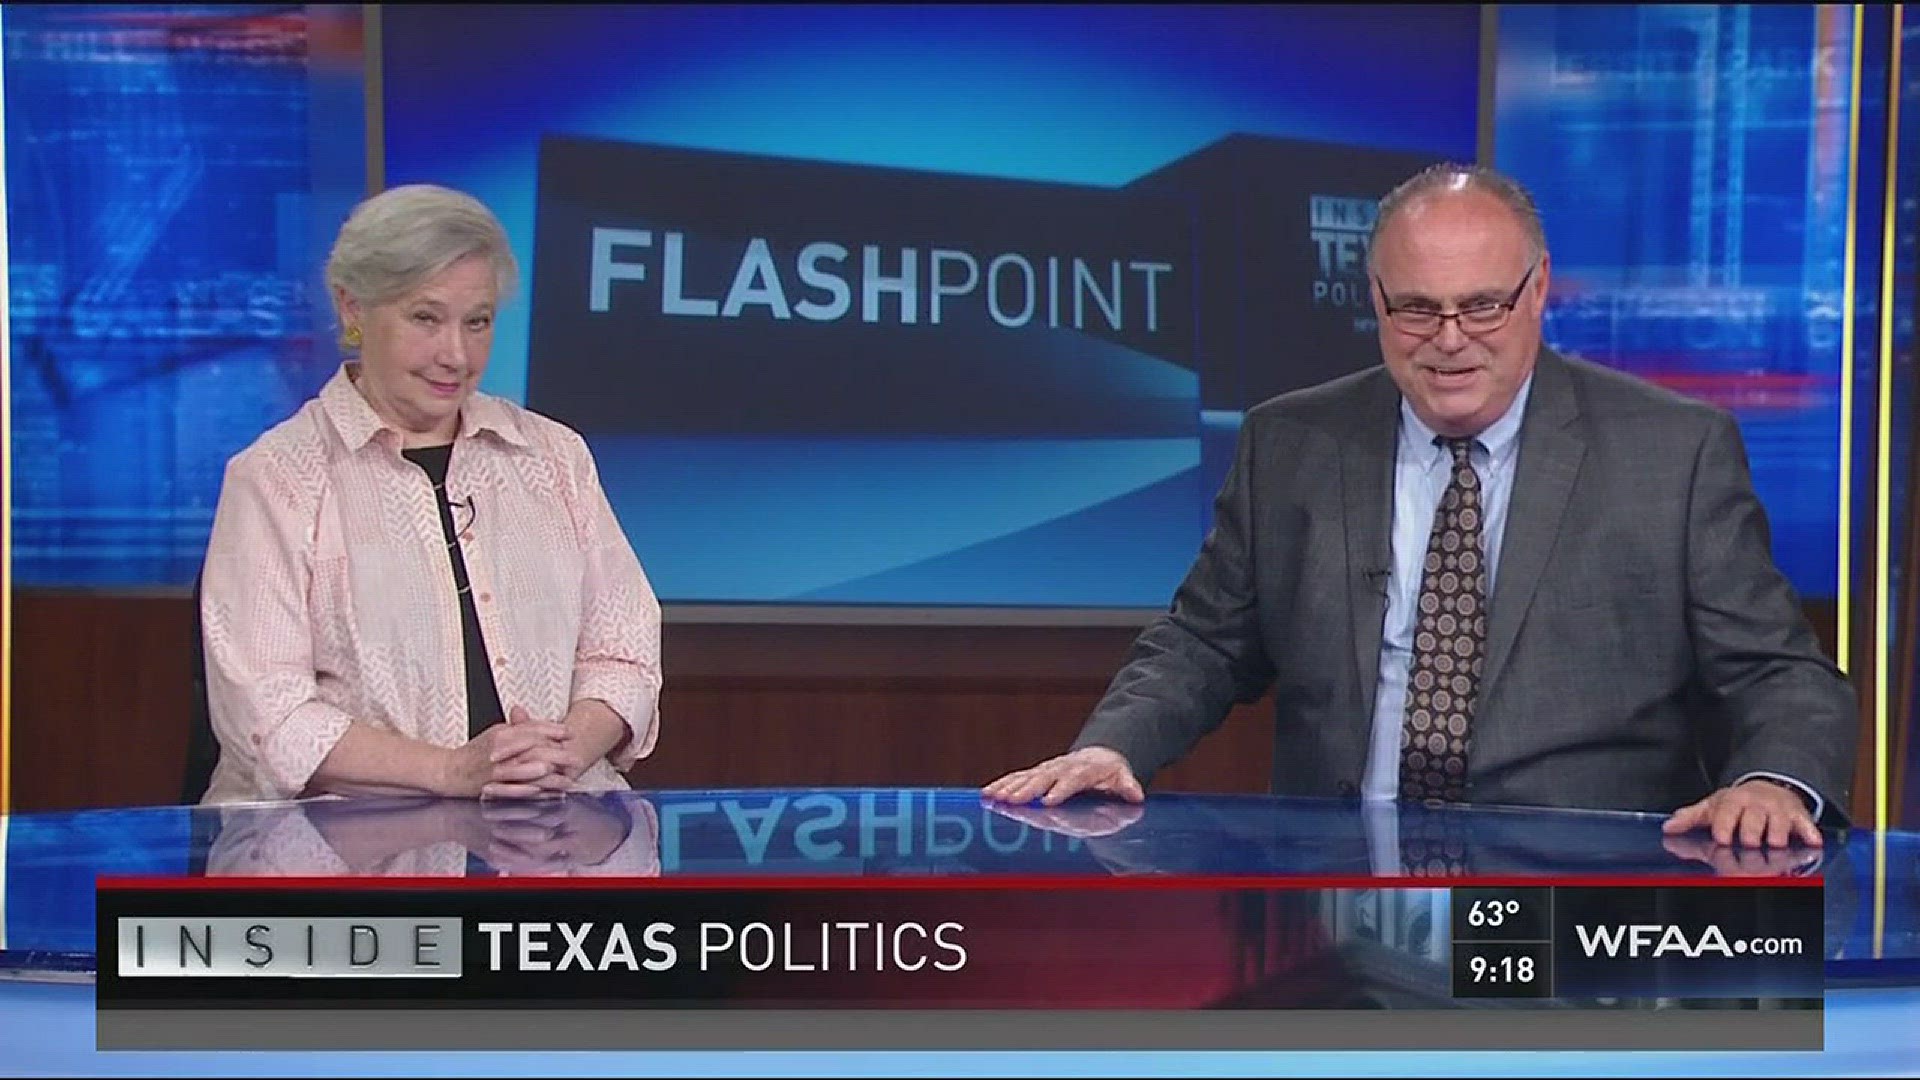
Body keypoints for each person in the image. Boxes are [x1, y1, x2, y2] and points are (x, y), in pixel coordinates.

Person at [985, 163, 1856, 850]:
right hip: (1340, 898)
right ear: (1374, 299)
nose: (1449, 341)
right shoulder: (1292, 441)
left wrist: (1772, 781)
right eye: (1417, 309)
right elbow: (1208, 640)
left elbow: (1779, 671)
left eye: (1482, 306)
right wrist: (1115, 745)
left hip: (1578, 896)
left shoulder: (1672, 452)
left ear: (1539, 288)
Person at [198, 184, 662, 803]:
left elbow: (626, 653)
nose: (456, 355)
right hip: (341, 857)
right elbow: (269, 717)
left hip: (550, 831)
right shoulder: (278, 477)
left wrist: (566, 748)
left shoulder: (555, 458)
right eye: (426, 318)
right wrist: (452, 772)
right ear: (353, 310)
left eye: (478, 322)